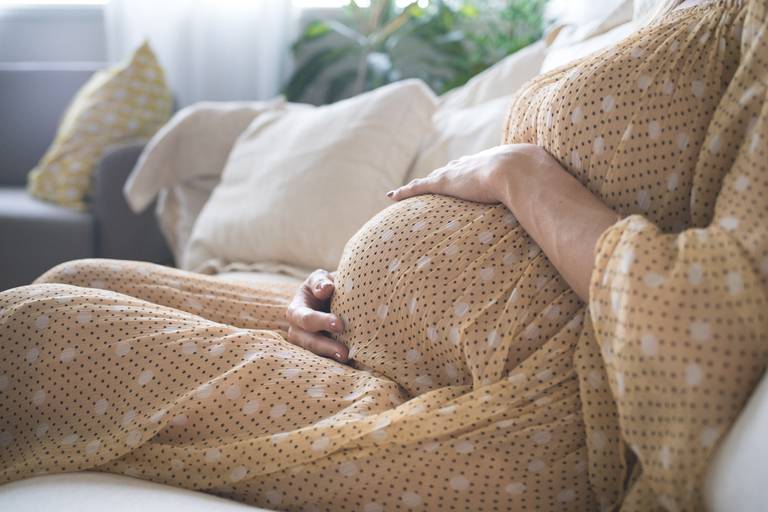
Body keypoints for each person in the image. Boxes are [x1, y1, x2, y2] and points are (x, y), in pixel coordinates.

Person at [1, 0, 766, 510]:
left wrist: (517, 172)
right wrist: (349, 290)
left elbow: (708, 330)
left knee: (31, 336)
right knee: (81, 276)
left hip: (511, 414)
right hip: (379, 349)